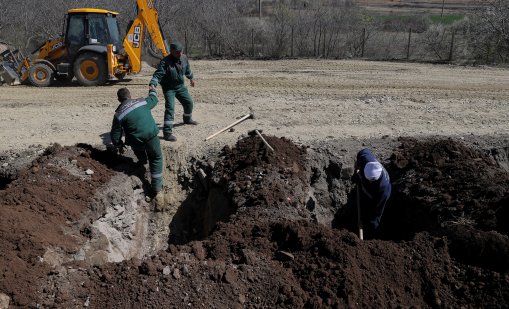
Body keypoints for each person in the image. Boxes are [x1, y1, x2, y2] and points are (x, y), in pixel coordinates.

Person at [110, 87, 164, 202]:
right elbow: (154, 99)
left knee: (137, 147)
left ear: (119, 99)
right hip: (151, 136)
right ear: (130, 95)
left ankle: (142, 161)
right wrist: (152, 89)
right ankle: (156, 188)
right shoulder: (141, 102)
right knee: (156, 158)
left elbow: (115, 135)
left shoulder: (118, 114)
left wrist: (119, 145)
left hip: (136, 141)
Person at [149, 41, 197, 142]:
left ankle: (187, 119)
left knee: (189, 103)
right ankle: (167, 133)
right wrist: (153, 83)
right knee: (170, 108)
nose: (180, 54)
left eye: (181, 51)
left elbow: (187, 69)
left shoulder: (184, 58)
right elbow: (158, 74)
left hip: (180, 86)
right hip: (169, 88)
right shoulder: (165, 62)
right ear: (172, 52)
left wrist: (191, 78)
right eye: (177, 52)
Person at [353, 148, 391, 237]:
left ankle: (372, 234)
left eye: (370, 181)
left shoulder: (383, 191)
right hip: (366, 181)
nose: (369, 182)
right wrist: (357, 166)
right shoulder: (367, 159)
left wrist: (369, 224)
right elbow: (362, 151)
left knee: (373, 214)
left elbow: (377, 213)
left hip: (377, 195)